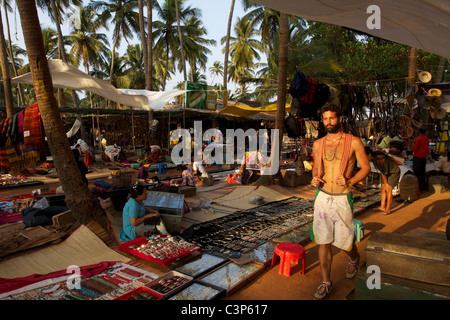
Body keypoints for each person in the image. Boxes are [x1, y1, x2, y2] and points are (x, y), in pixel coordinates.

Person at [310, 102, 371, 300]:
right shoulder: (318, 144)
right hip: (323, 197)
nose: (328, 122)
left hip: (343, 197)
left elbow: (365, 168)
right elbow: (315, 168)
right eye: (325, 118)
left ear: (339, 119)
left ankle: (354, 257)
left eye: (332, 118)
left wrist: (350, 180)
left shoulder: (353, 142)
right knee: (323, 241)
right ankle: (326, 283)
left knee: (345, 243)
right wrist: (314, 177)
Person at [366, 148, 400, 214]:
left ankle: (388, 209)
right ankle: (382, 206)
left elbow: (383, 172)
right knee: (383, 188)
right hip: (386, 172)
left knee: (388, 189)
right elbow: (382, 172)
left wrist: (386, 183)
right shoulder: (374, 158)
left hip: (393, 172)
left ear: (369, 154)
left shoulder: (379, 158)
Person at [412, 126, 429, 193]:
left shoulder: (418, 139)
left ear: (419, 131)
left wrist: (412, 148)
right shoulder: (426, 139)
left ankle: (418, 189)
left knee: (417, 174)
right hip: (423, 158)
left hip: (418, 158)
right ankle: (422, 188)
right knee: (422, 173)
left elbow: (415, 149)